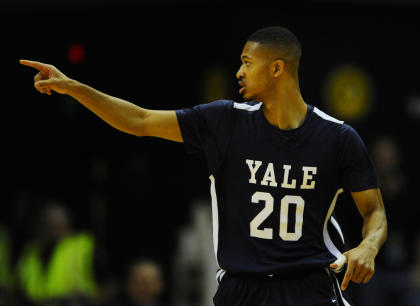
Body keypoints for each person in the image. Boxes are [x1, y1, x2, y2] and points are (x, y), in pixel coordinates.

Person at [20, 26, 387, 306]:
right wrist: (74, 87)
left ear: (277, 68)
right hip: (241, 288)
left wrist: (368, 246)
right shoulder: (224, 121)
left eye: (247, 62)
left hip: (309, 286)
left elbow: (375, 212)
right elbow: (141, 120)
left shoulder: (338, 137)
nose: (238, 72)